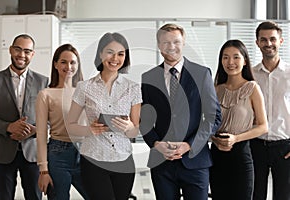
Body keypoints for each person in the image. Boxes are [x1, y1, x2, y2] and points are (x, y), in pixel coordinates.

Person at [140, 23, 221, 200]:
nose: (171, 46)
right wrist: (156, 144)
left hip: (195, 160)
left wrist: (189, 145)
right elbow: (145, 121)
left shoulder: (201, 73)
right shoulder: (148, 77)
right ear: (159, 45)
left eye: (176, 41)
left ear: (183, 43)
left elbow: (213, 117)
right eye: (166, 42)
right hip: (162, 163)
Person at [66, 32, 142, 200]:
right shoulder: (84, 87)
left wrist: (130, 127)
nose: (115, 58)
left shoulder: (133, 88)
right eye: (110, 52)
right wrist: (89, 129)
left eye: (121, 54)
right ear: (100, 53)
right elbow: (70, 125)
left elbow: (134, 131)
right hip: (94, 159)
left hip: (123, 160)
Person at [0, 34, 48, 200]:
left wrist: (35, 130)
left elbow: (51, 120)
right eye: (18, 49)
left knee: (34, 197)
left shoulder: (43, 82)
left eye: (27, 51)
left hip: (33, 153)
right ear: (10, 50)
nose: (21, 55)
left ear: (32, 54)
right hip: (3, 152)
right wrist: (8, 127)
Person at [209, 39, 268, 200]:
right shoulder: (215, 89)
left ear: (244, 61)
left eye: (236, 57)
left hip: (241, 155)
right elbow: (206, 123)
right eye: (225, 57)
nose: (230, 62)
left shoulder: (252, 88)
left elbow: (263, 126)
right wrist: (213, 138)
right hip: (216, 155)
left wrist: (235, 139)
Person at [36, 44, 89, 200]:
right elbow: (40, 134)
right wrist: (43, 171)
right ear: (56, 64)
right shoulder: (46, 94)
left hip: (86, 153)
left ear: (78, 65)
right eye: (64, 62)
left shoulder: (87, 91)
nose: (68, 66)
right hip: (58, 154)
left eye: (73, 62)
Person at [250, 21, 290, 200]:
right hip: (255, 145)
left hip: (285, 146)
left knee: (284, 195)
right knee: (255, 194)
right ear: (257, 42)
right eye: (263, 40)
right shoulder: (250, 75)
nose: (268, 44)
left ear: (281, 41)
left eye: (272, 39)